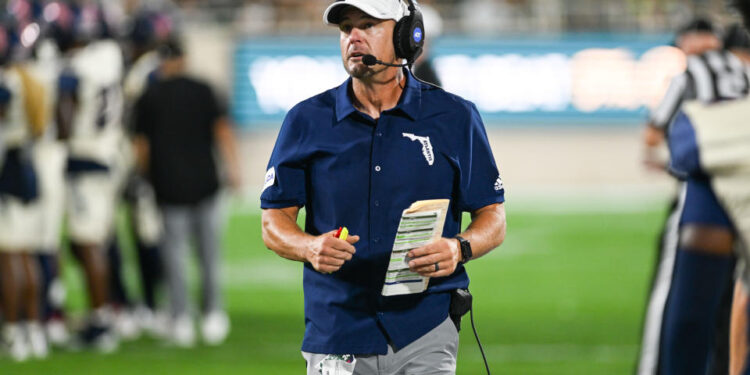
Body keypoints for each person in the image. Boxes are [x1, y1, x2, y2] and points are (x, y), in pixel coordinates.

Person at [260, 1, 507, 373]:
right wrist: (309, 246)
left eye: (369, 25)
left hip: (425, 327)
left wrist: (459, 249)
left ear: (408, 36)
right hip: (336, 330)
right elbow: (273, 221)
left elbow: (493, 217)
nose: (353, 37)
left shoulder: (455, 117)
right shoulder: (306, 120)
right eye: (346, 29)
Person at [637, 14, 750, 374]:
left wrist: (677, 164)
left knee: (681, 307)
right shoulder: (741, 75)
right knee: (736, 295)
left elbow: (653, 139)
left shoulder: (687, 78)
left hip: (704, 193)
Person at [133, 38, 241, 347]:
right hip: (205, 182)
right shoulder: (203, 89)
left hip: (168, 185)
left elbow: (142, 146)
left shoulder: (150, 94)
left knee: (175, 257)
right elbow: (222, 130)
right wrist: (232, 169)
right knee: (208, 256)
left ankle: (180, 319)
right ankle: (212, 315)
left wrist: (144, 177)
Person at [51, 0, 124, 351]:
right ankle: (104, 314)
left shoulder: (74, 67)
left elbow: (64, 125)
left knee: (86, 242)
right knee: (93, 240)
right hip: (108, 154)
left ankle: (101, 320)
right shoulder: (109, 54)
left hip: (84, 157)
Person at [0, 18, 49, 361]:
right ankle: (34, 329)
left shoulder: (7, 84)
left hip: (9, 171)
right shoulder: (32, 80)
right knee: (27, 255)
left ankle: (15, 331)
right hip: (28, 168)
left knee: (9, 257)